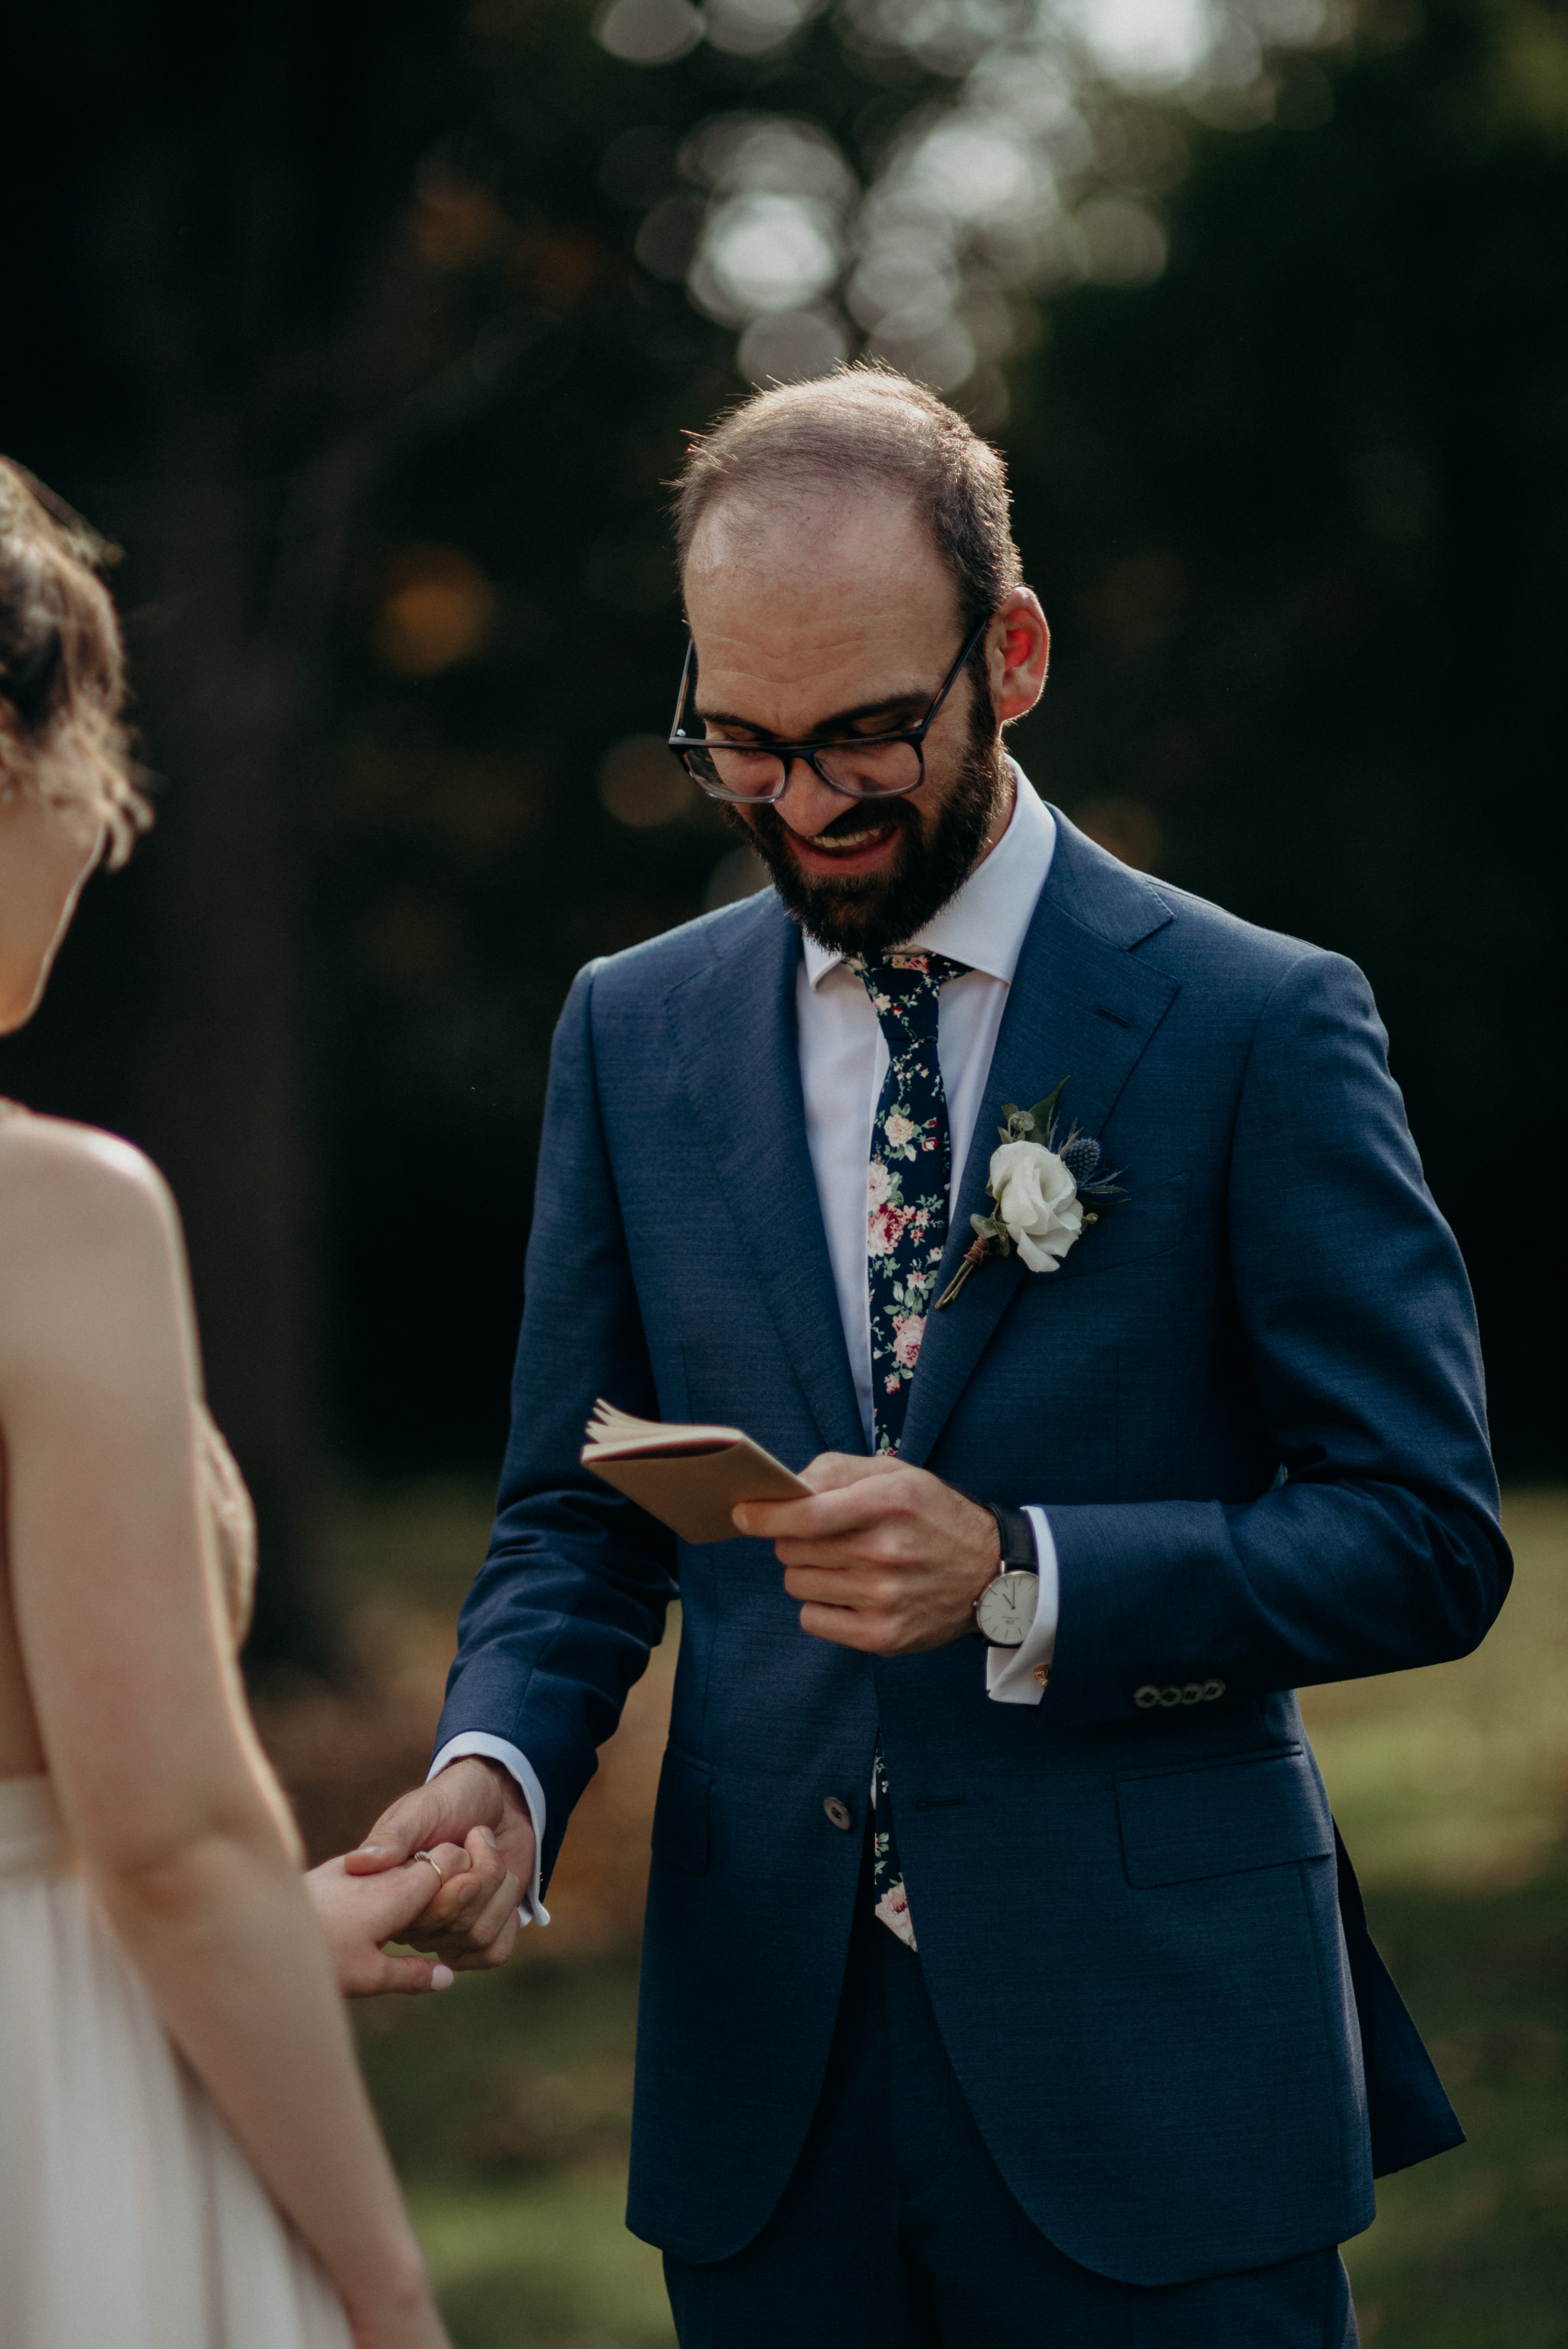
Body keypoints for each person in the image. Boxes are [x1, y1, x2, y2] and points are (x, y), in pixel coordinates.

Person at [351, 368, 1510, 2346]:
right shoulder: (630, 1034)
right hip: (766, 2096)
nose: (801, 806)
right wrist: (500, 1770)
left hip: (1160, 2071)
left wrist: (1029, 1573)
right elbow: (572, 1512)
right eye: (743, 747)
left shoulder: (1256, 1022)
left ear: (1014, 656)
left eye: (865, 735)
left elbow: (1426, 1528)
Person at [0, 459, 500, 2348]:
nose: (104, 841)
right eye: (95, 774)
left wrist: (271, 1945)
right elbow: (167, 1843)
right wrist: (382, 2289)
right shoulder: (52, 1220)